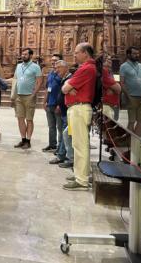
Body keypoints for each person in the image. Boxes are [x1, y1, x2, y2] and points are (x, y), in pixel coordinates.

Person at [62, 43, 96, 191]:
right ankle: (80, 174)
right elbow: (67, 87)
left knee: (80, 145)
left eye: (77, 52)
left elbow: (64, 88)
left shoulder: (87, 68)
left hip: (79, 109)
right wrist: (69, 87)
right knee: (78, 144)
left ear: (85, 53)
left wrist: (69, 87)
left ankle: (82, 180)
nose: (74, 55)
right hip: (77, 109)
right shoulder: (85, 68)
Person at [13, 48, 43, 149]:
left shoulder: (36, 67)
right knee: (20, 119)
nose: (23, 56)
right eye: (22, 54)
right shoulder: (18, 66)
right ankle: (23, 139)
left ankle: (28, 141)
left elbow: (39, 81)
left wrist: (34, 93)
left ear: (30, 56)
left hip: (29, 96)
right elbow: (15, 79)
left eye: (25, 54)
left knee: (29, 119)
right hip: (19, 96)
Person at [119, 46, 141, 136]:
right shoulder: (123, 66)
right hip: (131, 97)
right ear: (128, 54)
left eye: (138, 53)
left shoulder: (140, 65)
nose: (137, 55)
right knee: (132, 121)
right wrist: (128, 96)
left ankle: (137, 142)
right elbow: (122, 83)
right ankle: (129, 142)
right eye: (134, 53)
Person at [49, 60, 72, 165]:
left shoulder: (70, 79)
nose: (56, 70)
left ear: (66, 67)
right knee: (65, 134)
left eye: (59, 67)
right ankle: (62, 154)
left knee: (65, 134)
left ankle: (62, 156)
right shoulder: (64, 78)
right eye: (55, 67)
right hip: (64, 111)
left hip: (68, 111)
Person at [42, 53, 63, 153]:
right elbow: (47, 88)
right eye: (52, 60)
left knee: (60, 127)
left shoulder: (61, 74)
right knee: (51, 126)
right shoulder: (50, 74)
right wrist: (44, 101)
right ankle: (52, 144)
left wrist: (60, 104)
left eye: (56, 60)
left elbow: (62, 91)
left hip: (57, 104)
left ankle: (60, 147)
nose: (53, 62)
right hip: (49, 103)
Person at [101, 55, 121, 120]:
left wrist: (113, 88)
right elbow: (118, 89)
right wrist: (114, 87)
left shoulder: (110, 72)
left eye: (110, 59)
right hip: (107, 105)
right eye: (107, 59)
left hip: (114, 103)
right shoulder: (103, 72)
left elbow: (118, 87)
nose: (110, 61)